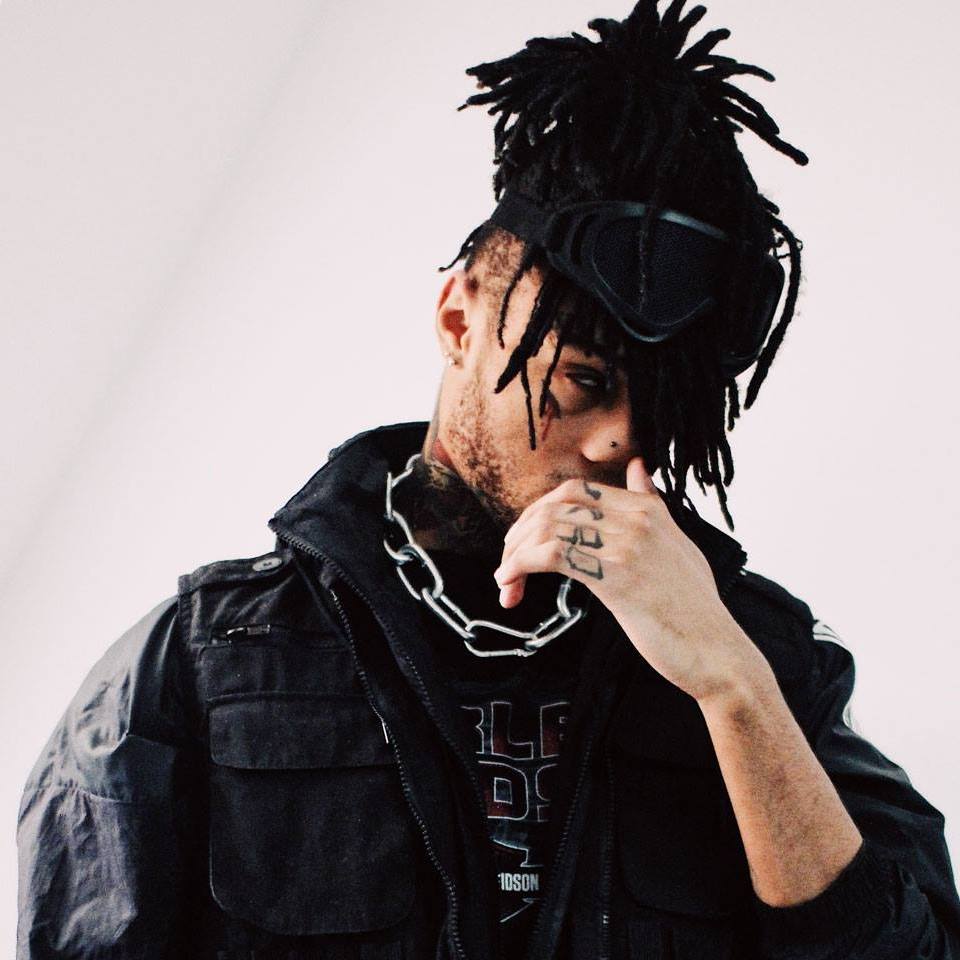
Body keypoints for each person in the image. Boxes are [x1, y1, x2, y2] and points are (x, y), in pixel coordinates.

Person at [16, 2, 960, 958]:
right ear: (460, 321)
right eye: (584, 381)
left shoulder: (763, 661)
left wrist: (734, 687)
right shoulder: (204, 658)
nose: (620, 440)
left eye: (662, 407)